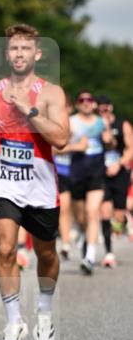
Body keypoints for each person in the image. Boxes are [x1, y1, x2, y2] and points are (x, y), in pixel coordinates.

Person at [0, 24, 69, 340]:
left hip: (40, 186)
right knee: (5, 249)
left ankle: (44, 311)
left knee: (46, 253)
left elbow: (60, 139)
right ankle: (13, 322)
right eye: (14, 49)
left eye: (25, 49)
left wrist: (26, 108)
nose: (19, 54)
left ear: (37, 54)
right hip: (3, 181)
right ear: (7, 53)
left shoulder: (51, 93)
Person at [67, 90, 112, 274]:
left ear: (93, 103)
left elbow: (110, 144)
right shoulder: (71, 122)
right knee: (81, 218)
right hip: (77, 172)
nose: (86, 103)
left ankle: (90, 257)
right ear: (78, 104)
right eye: (82, 100)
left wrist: (109, 136)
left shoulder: (101, 122)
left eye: (89, 100)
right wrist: (76, 146)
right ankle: (85, 240)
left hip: (96, 171)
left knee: (93, 212)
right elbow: (59, 146)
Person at [96, 94, 133, 265]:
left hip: (120, 172)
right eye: (100, 107)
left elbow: (130, 149)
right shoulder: (95, 125)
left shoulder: (122, 124)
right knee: (104, 211)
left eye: (105, 107)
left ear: (110, 107)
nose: (103, 110)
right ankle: (109, 253)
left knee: (118, 213)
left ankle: (122, 222)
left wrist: (119, 164)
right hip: (101, 173)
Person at [53, 95, 74, 259]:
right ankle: (66, 243)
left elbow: (87, 145)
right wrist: (76, 147)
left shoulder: (78, 123)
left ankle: (76, 235)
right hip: (58, 171)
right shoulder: (51, 124)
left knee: (80, 211)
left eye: (65, 106)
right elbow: (53, 149)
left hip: (77, 171)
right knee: (63, 209)